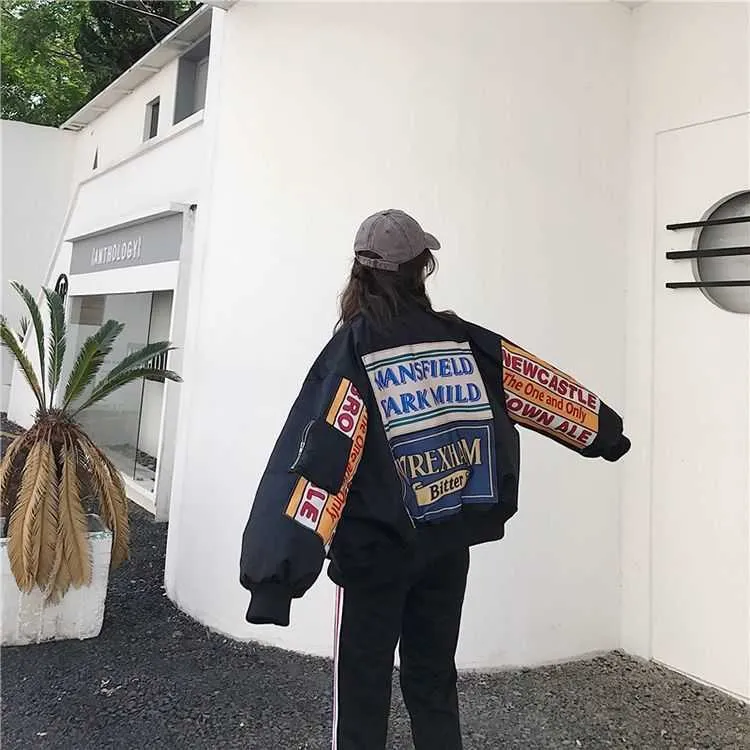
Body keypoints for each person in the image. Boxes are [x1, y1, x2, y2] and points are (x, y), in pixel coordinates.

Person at [240, 209, 630, 750]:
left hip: (374, 555)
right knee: (432, 681)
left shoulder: (354, 351)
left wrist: (275, 578)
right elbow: (539, 386)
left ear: (359, 273)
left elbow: (318, 457)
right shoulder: (463, 340)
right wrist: (605, 434)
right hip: (447, 547)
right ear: (423, 267)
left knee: (361, 693)